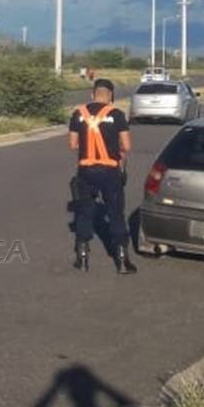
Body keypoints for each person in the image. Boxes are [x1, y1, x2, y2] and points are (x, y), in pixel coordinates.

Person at [67, 78, 135, 275]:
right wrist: (116, 151)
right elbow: (127, 146)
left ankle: (82, 258)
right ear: (111, 95)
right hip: (110, 171)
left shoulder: (79, 114)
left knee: (84, 212)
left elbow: (72, 145)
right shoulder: (117, 114)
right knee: (115, 213)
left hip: (86, 171)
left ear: (92, 94)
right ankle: (122, 260)